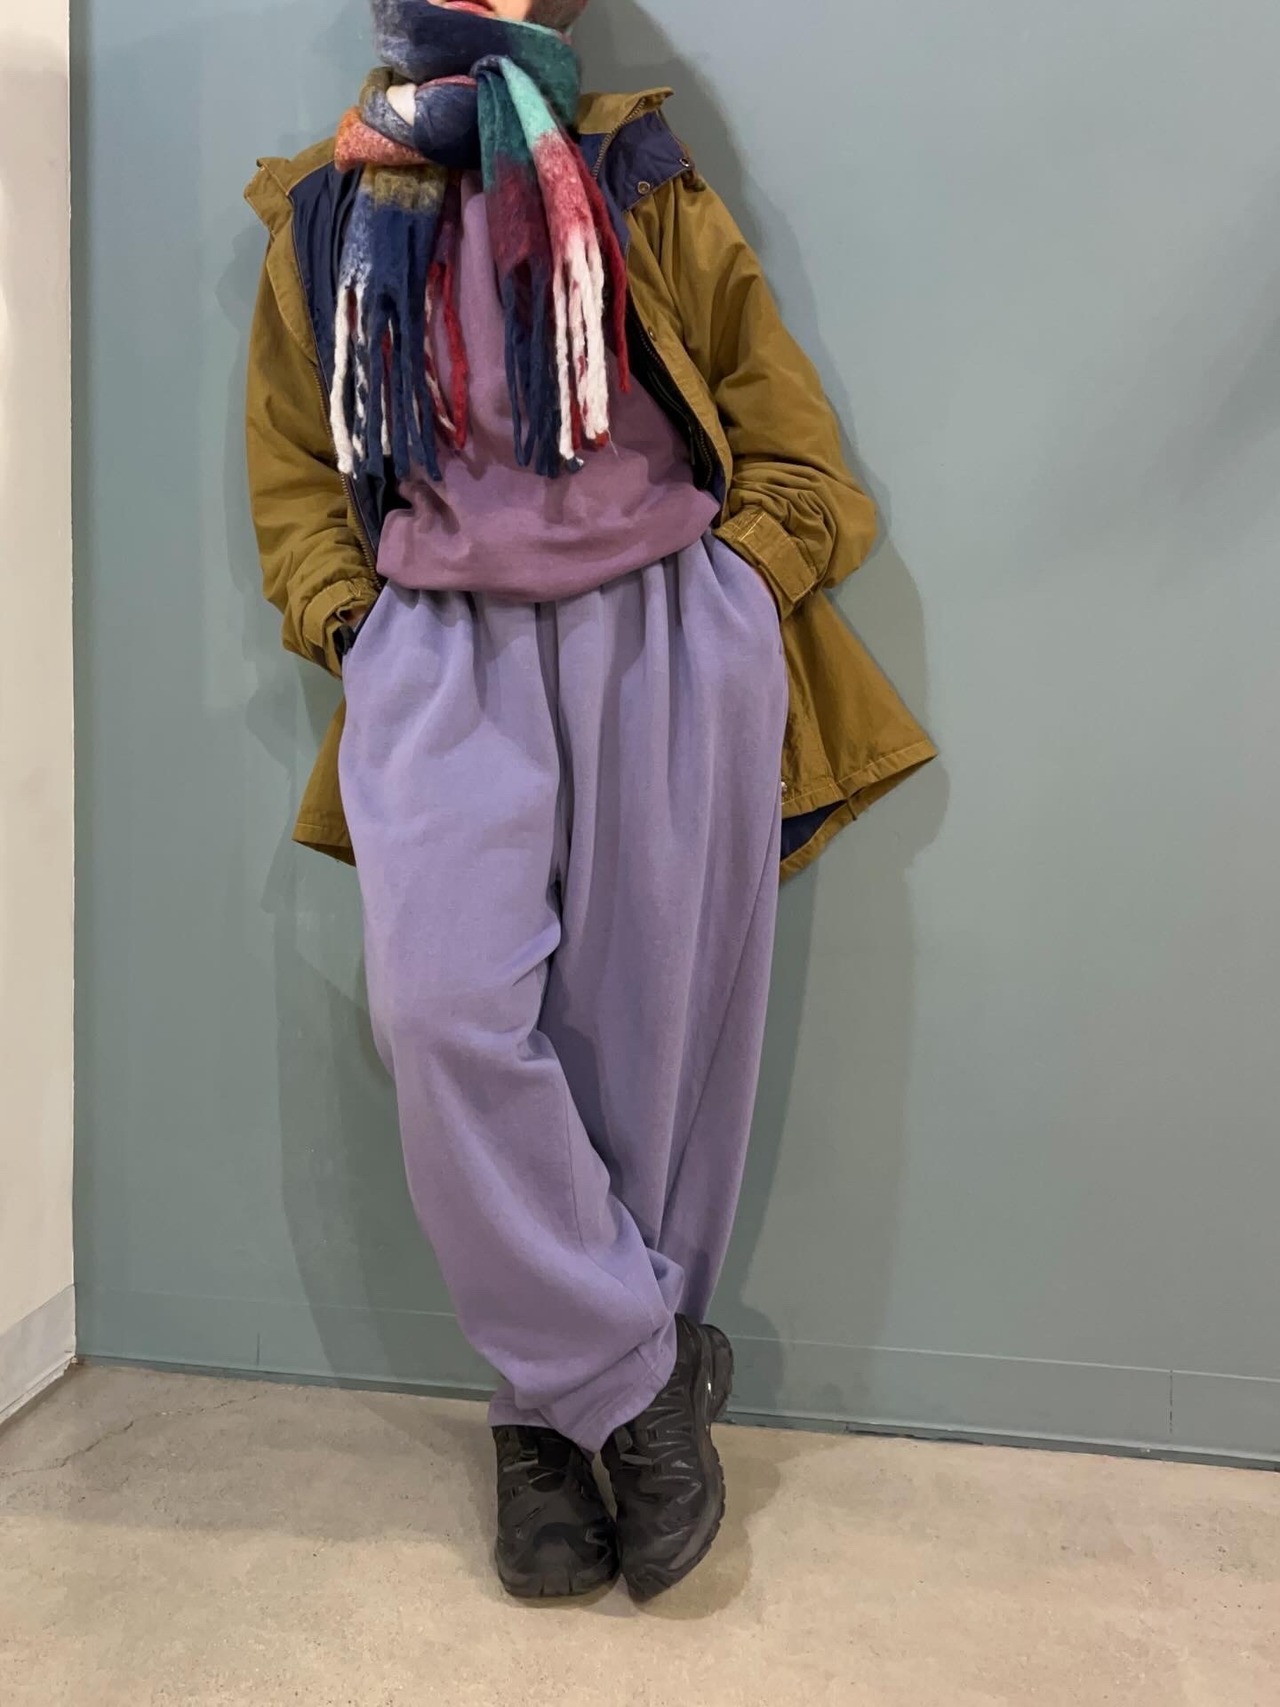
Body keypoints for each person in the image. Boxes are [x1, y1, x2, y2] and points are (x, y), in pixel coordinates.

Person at [245, 0, 934, 1601]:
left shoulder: (638, 172)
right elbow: (295, 476)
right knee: (443, 1016)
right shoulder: (328, 206)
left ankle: (543, 1428)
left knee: (645, 1051)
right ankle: (636, 1373)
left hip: (666, 640)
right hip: (441, 651)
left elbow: (792, 442)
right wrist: (357, 632)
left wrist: (739, 602)